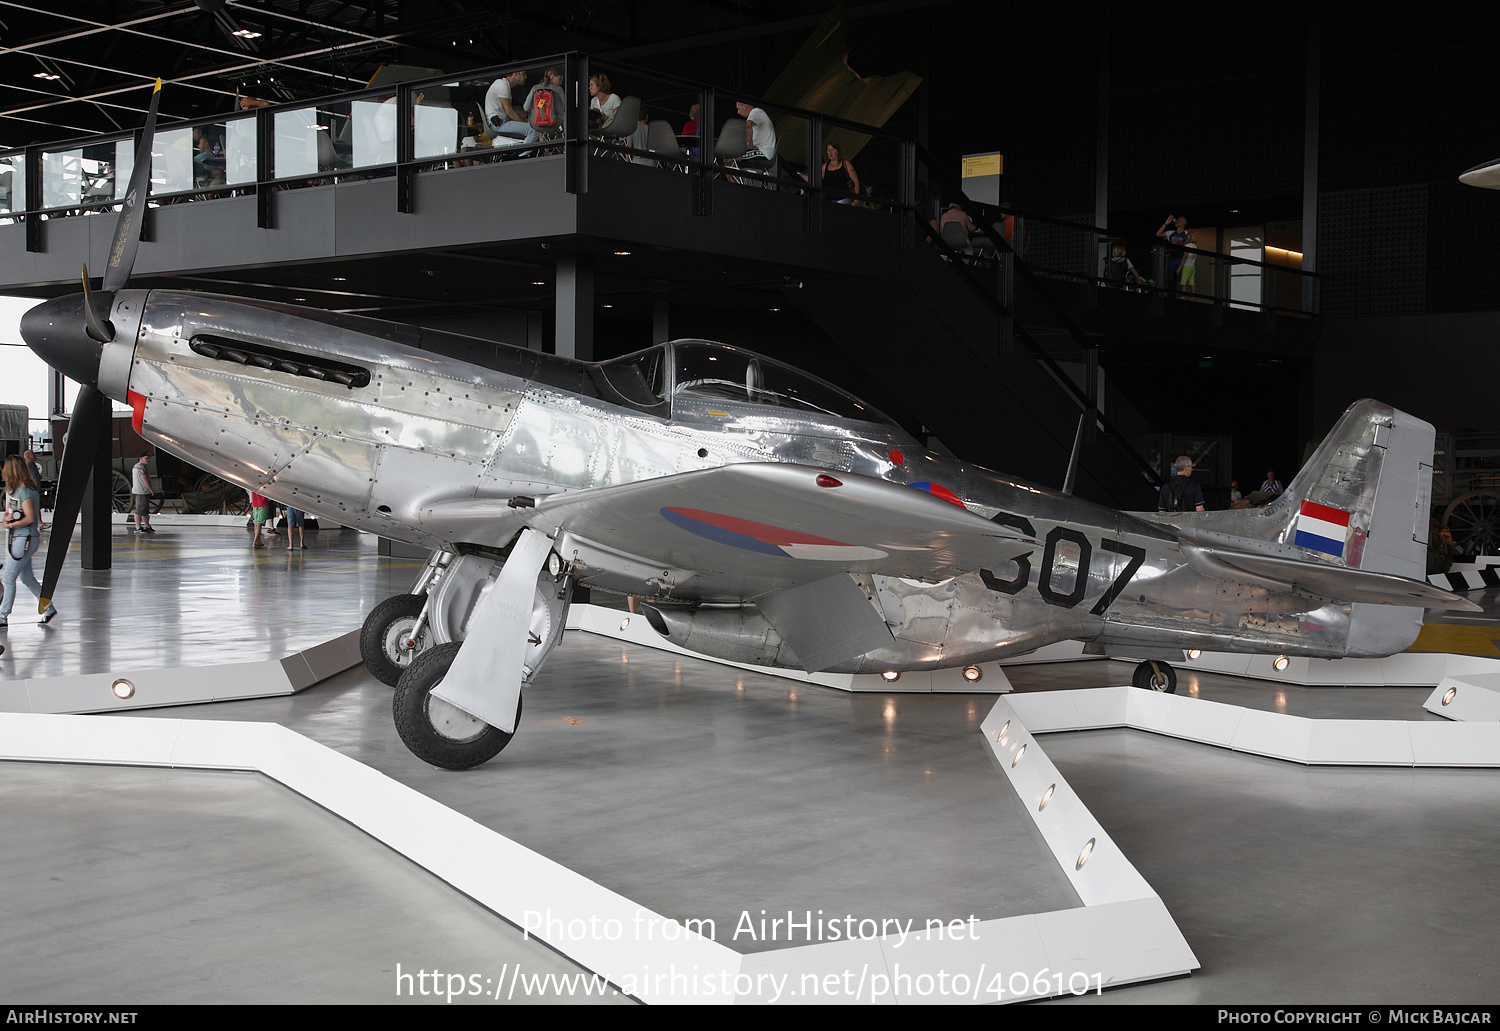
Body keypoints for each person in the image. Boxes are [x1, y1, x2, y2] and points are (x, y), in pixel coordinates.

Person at [1, 455, 55, 628]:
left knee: (8, 577)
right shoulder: (17, 491)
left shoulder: (24, 491)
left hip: (24, 539)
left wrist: (12, 524)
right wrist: (7, 521)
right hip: (22, 538)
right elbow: (9, 514)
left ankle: (2, 616)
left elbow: (30, 517)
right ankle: (49, 608)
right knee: (27, 579)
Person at [522, 66, 565, 147]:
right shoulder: (558, 89)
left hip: (537, 125)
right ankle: (565, 147)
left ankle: (543, 149)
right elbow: (566, 107)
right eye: (560, 79)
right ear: (552, 76)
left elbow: (525, 107)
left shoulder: (535, 88)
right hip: (555, 124)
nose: (561, 82)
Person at [485, 69, 531, 143]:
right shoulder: (501, 84)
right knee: (533, 130)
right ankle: (524, 153)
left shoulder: (504, 85)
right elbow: (510, 112)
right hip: (499, 125)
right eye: (524, 74)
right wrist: (524, 123)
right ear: (516, 73)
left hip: (500, 123)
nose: (525, 77)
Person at [1156, 214, 1188, 295]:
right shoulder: (1171, 232)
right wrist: (1166, 223)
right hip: (1170, 259)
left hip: (1180, 259)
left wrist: (1179, 242)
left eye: (1180, 220)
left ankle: (1179, 297)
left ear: (1183, 223)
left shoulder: (1186, 233)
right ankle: (1164, 295)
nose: (1177, 221)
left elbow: (1189, 246)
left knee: (1179, 280)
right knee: (1166, 278)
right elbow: (1158, 234)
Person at [130, 452, 155, 534]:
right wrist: (150, 489)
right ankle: (138, 527)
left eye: (148, 458)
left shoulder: (138, 467)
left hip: (141, 491)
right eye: (146, 458)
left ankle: (147, 526)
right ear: (141, 459)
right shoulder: (140, 467)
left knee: (144, 510)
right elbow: (144, 478)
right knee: (139, 511)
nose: (148, 460)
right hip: (141, 492)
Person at [1179, 230, 1199, 294]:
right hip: (1192, 266)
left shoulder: (1187, 246)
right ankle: (1193, 297)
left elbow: (1185, 256)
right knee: (1192, 283)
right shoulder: (1195, 246)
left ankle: (1183, 296)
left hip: (1187, 265)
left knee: (1183, 282)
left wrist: (1180, 267)